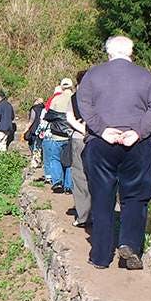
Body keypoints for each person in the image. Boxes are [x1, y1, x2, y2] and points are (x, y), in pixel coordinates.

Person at [78, 36, 151, 270]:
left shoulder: (92, 76)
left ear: (108, 53)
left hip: (101, 143)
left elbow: (83, 104)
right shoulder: (146, 76)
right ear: (131, 52)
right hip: (136, 144)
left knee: (102, 197)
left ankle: (100, 256)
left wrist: (102, 129)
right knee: (135, 197)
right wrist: (138, 131)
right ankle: (129, 244)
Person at [42, 78, 74, 194]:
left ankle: (57, 182)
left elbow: (48, 116)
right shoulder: (76, 99)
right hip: (71, 135)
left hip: (56, 135)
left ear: (61, 87)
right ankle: (69, 185)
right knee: (70, 161)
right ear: (72, 86)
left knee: (55, 159)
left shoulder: (56, 99)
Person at [67, 71, 90, 227]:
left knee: (80, 177)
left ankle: (83, 216)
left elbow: (69, 118)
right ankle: (100, 213)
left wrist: (83, 130)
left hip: (79, 139)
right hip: (100, 139)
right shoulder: (101, 95)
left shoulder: (74, 97)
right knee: (98, 176)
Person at [24, 98, 45, 168]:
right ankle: (41, 161)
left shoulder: (34, 109)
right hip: (42, 130)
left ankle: (35, 162)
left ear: (36, 102)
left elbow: (32, 120)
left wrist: (26, 128)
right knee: (40, 146)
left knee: (33, 146)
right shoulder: (44, 109)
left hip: (34, 130)